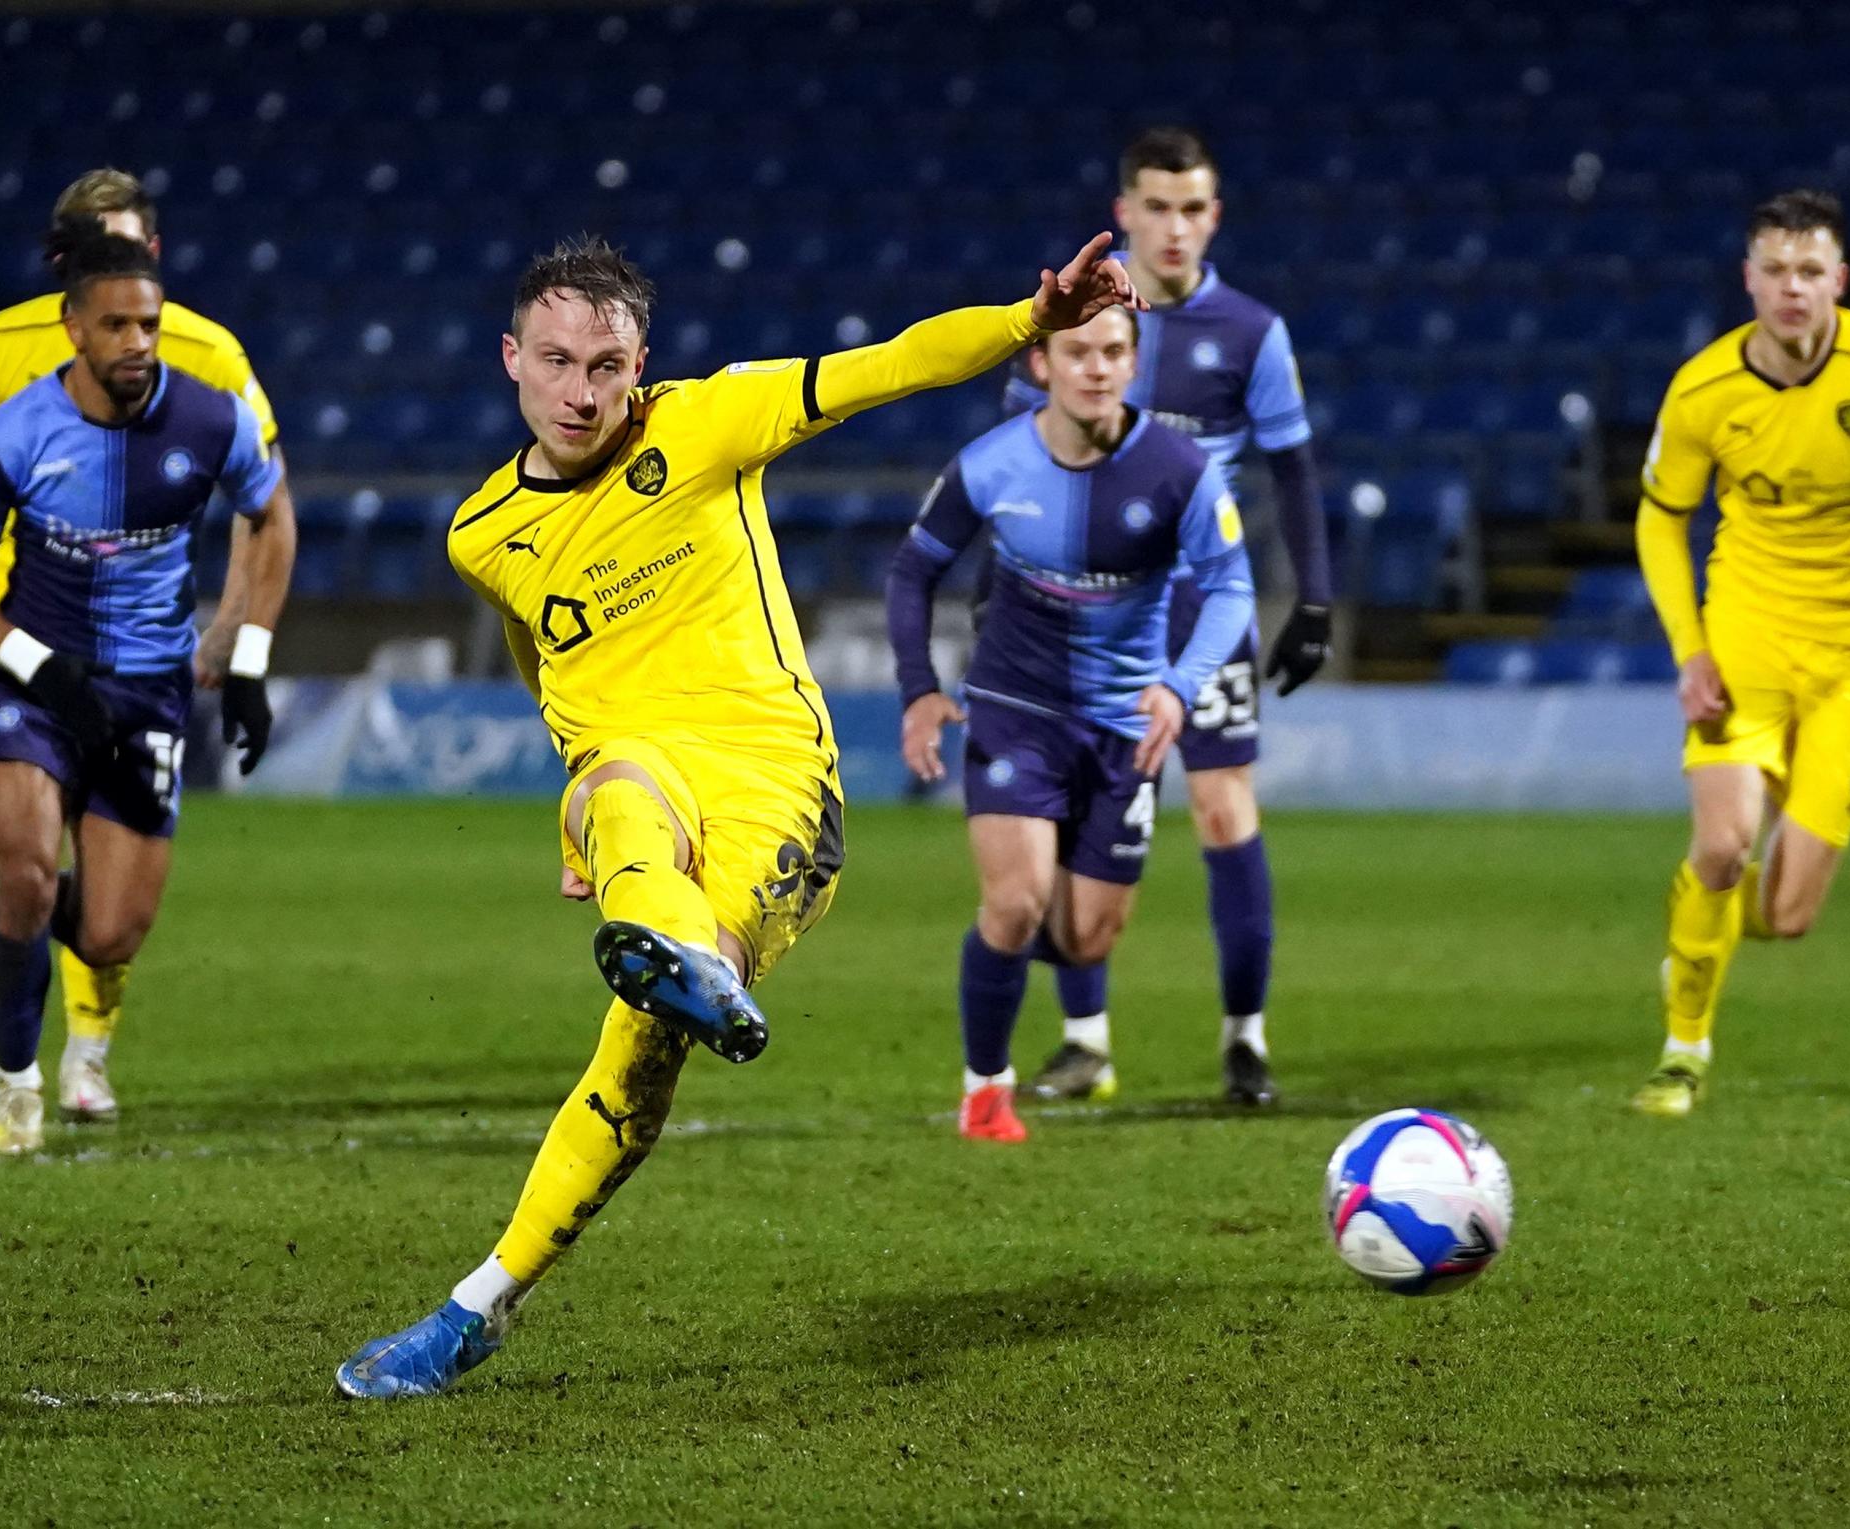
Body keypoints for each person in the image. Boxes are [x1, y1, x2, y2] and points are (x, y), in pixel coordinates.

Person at [333, 231, 1141, 1398]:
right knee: (614, 797)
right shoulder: (482, 534)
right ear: (512, 359)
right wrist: (585, 786)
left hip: (775, 784)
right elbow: (549, 662)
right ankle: (483, 1296)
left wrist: (1031, 318)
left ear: (641, 363)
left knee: (637, 1060)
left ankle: (497, 1276)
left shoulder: (709, 423)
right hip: (635, 775)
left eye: (605, 365)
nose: (579, 391)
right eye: (555, 361)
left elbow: (895, 364)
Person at [0, 168, 289, 1126]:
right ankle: (17, 1013)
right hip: (11, 625)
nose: (135, 321)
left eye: (139, 257)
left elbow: (268, 511)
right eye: (103, 259)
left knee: (108, 924)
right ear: (69, 284)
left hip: (141, 660)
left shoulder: (206, 361)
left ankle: (81, 1041)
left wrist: (239, 650)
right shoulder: (3, 349)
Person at [1630, 189, 1850, 1117]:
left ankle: (1696, 925)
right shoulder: (1704, 390)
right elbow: (1661, 519)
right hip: (1747, 645)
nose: (1791, 288)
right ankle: (1683, 1051)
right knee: (1720, 847)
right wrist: (1690, 649)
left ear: (1839, 278)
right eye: (1773, 271)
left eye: (1809, 271)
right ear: (1747, 279)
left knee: (1785, 916)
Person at [1004, 126, 1329, 1108]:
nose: (1176, 226)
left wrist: (1312, 597)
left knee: (1226, 811)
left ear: (1214, 215)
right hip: (1088, 606)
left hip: (1200, 607)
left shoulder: (1252, 333)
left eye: (1194, 208)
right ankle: (1085, 1041)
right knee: (1072, 817)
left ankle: (1245, 1039)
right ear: (1126, 213)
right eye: (1158, 207)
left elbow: (1295, 470)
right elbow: (1019, 453)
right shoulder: (1071, 319)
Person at [893, 305, 1255, 1142]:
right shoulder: (992, 463)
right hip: (1015, 710)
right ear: (1043, 364)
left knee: (1088, 939)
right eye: (1078, 351)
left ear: (1135, 363)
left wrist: (1178, 686)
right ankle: (987, 1087)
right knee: (1015, 903)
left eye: (1114, 352)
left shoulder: (1182, 471)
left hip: (1125, 724)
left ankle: (1022, 948)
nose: (1096, 367)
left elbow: (1232, 587)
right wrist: (919, 689)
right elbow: (914, 569)